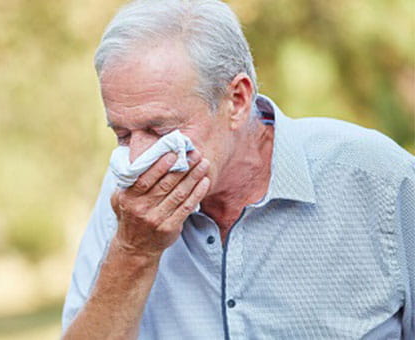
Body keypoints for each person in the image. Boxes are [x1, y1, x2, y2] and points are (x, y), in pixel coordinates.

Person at [61, 0, 415, 339]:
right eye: (123, 134)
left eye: (159, 131)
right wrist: (133, 251)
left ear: (237, 100)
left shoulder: (380, 180)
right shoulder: (126, 200)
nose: (139, 157)